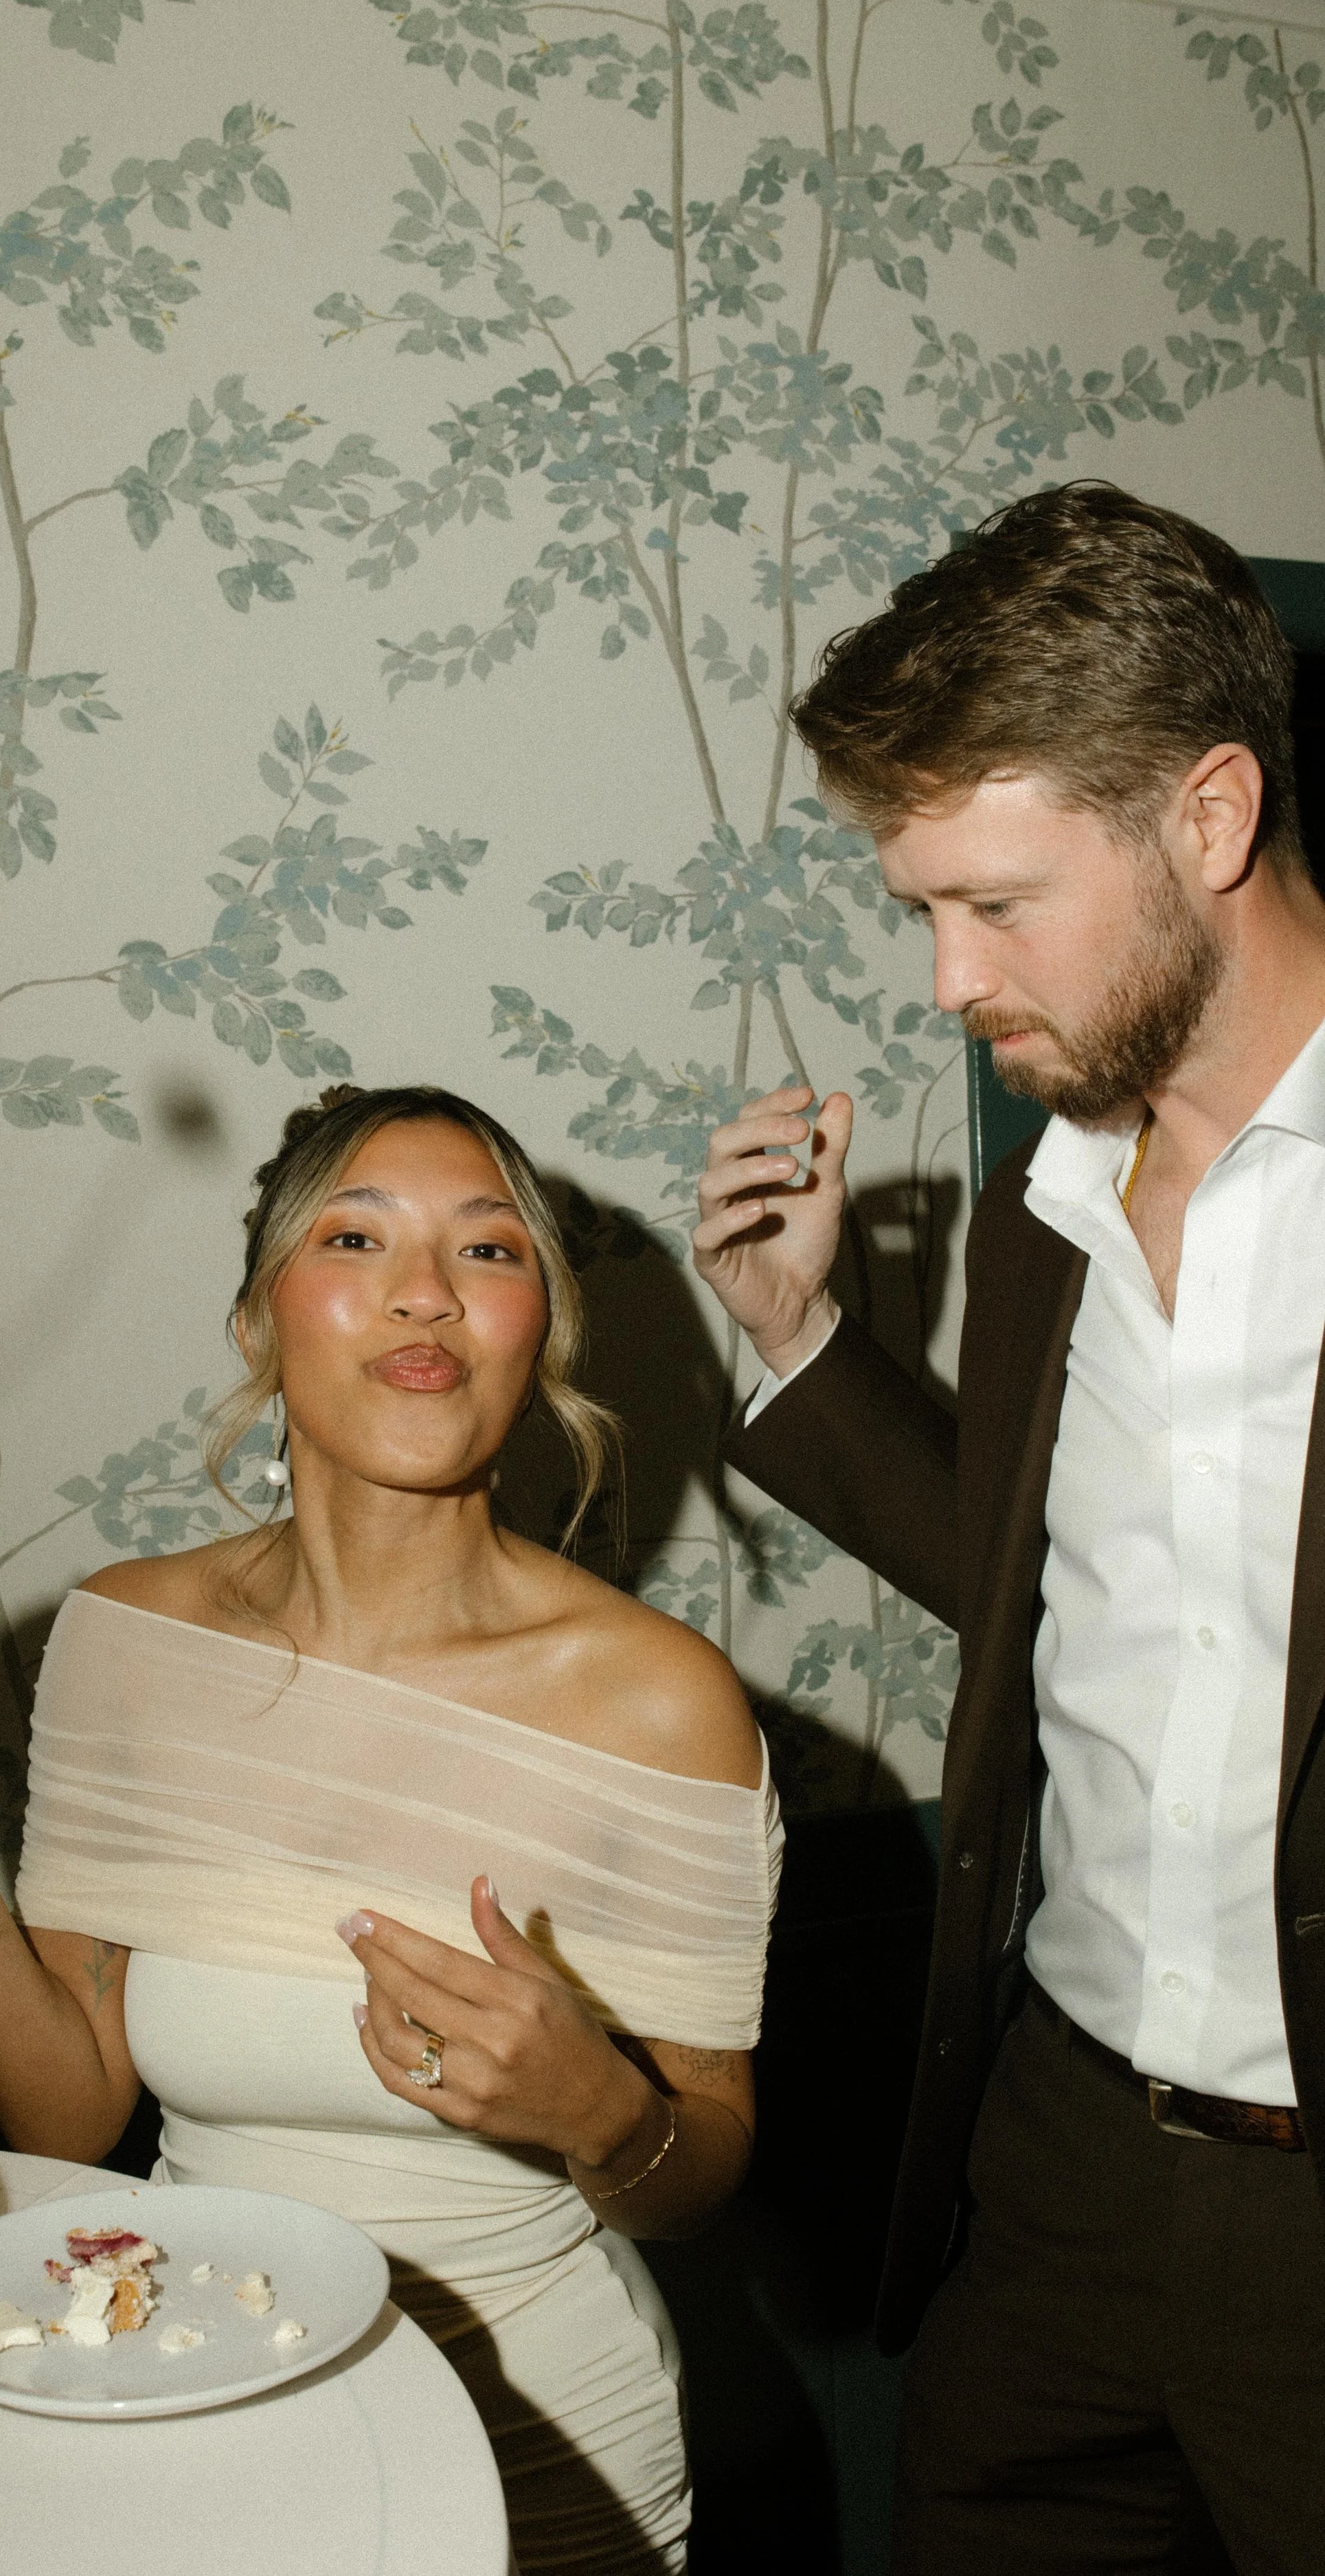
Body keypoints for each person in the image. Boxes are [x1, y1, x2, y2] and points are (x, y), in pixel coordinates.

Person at [0, 1082, 782, 2575]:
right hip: (195, 2412)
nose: (424, 1291)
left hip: (545, 2460)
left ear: (541, 1334)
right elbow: (65, 2113)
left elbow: (701, 2177)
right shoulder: (127, 1639)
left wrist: (600, 2110)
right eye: (355, 1237)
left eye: (489, 1249)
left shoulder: (660, 1701)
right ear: (259, 1318)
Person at [692, 482, 1325, 2574]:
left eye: (996, 902)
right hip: (1052, 2168)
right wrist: (799, 1341)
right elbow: (1072, 1577)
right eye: (921, 909)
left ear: (1208, 815)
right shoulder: (1049, 1197)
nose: (948, 979)